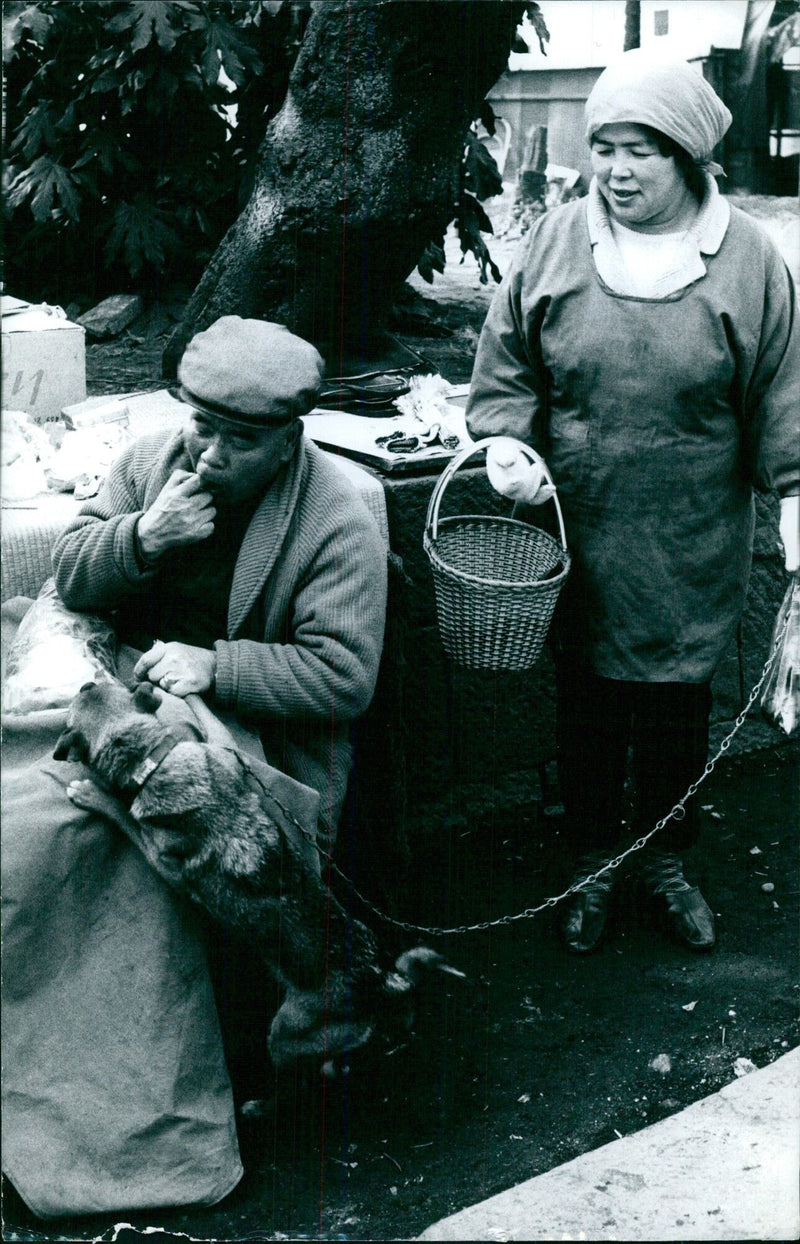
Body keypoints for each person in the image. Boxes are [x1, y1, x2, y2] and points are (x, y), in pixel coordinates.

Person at [467, 50, 799, 955]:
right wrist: (505, 442)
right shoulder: (558, 241)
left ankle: (664, 861)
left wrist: (798, 494)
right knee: (586, 709)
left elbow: (782, 394)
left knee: (672, 719)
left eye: (640, 151)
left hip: (691, 537)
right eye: (603, 148)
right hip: (580, 525)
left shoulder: (747, 260)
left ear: (687, 155)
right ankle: (592, 863)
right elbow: (508, 364)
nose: (615, 170)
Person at [52, 315, 388, 844]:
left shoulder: (336, 522)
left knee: (98, 839)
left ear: (287, 441)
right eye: (203, 425)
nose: (211, 454)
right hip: (120, 682)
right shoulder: (147, 462)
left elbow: (343, 678)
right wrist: (142, 537)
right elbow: (68, 574)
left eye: (243, 439)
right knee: (35, 797)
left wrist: (216, 665)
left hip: (245, 729)